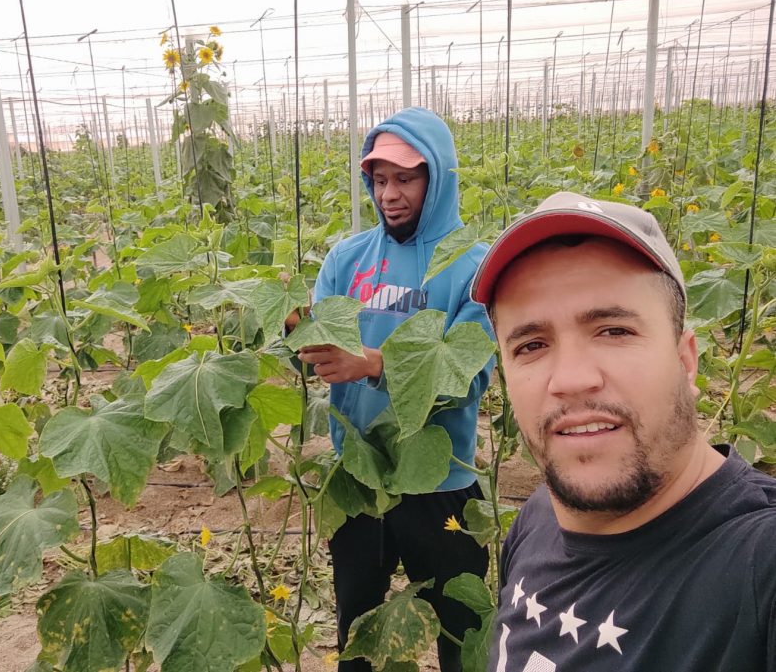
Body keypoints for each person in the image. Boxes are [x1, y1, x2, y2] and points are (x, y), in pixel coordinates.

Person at [469, 191, 776, 671]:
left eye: (614, 331)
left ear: (685, 360)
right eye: (531, 344)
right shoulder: (539, 516)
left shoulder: (757, 565)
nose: (570, 379)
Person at [295, 106, 494, 672]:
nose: (390, 194)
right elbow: (321, 340)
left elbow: (469, 375)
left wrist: (374, 364)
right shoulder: (347, 258)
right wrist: (302, 338)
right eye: (380, 180)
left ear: (438, 177)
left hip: (439, 481)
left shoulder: (471, 267)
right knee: (359, 630)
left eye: (405, 178)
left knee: (460, 633)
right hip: (357, 473)